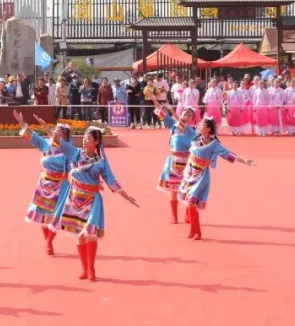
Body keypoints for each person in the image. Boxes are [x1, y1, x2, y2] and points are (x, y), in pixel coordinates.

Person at [51, 126, 139, 281]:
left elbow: (111, 180)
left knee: (90, 234)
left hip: (92, 199)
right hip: (75, 197)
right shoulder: (76, 154)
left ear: (97, 141)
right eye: (84, 136)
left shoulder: (101, 162)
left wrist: (127, 197)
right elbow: (59, 142)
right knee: (79, 234)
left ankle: (91, 269)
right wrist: (47, 128)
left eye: (89, 137)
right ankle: (84, 268)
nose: (85, 139)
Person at [177, 116, 257, 240]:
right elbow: (181, 123)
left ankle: (197, 231)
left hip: (201, 175)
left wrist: (245, 160)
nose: (199, 125)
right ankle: (193, 229)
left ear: (208, 129)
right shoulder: (194, 135)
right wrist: (171, 111)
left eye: (203, 124)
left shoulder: (214, 144)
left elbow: (229, 154)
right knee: (189, 202)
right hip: (189, 173)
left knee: (192, 199)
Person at [13, 111, 73, 254]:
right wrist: (21, 122)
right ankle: (48, 243)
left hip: (61, 184)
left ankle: (49, 241)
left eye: (59, 131)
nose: (56, 133)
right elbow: (32, 136)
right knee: (43, 214)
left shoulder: (68, 149)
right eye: (55, 130)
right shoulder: (46, 145)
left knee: (57, 215)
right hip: (45, 183)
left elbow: (78, 163)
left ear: (65, 135)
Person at [151, 99, 197, 224]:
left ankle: (188, 213)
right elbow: (161, 111)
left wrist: (172, 110)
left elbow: (182, 123)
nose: (186, 116)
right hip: (173, 162)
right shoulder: (173, 125)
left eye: (189, 115)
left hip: (188, 163)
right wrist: (152, 97)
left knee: (188, 190)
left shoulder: (192, 131)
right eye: (184, 113)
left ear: (192, 119)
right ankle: (174, 215)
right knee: (173, 189)